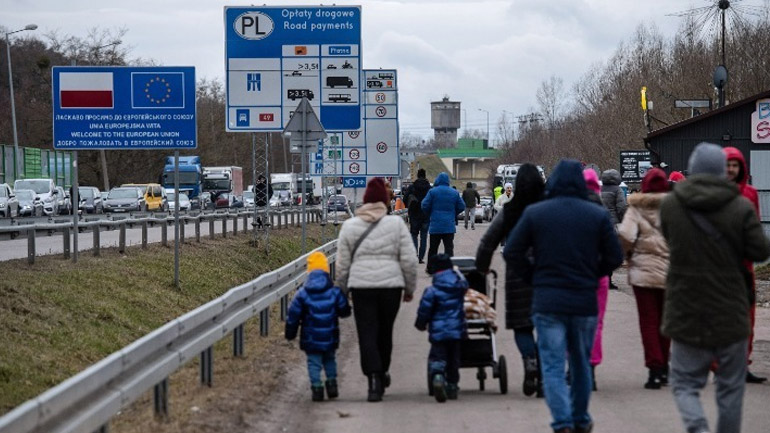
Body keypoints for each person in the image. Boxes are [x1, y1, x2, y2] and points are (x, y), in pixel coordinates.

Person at [505, 160, 623, 433]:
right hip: (584, 300)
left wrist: (532, 276)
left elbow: (512, 250)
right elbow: (615, 256)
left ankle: (562, 422)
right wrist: (594, 274)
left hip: (548, 301)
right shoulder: (596, 214)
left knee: (553, 364)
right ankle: (580, 418)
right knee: (580, 362)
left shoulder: (536, 213)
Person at [660, 143, 770, 433]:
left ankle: (698, 428)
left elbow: (668, 241)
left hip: (685, 307)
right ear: (723, 170)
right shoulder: (741, 205)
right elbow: (759, 251)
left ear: (692, 169)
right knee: (730, 388)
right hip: (730, 308)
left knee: (684, 382)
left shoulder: (671, 206)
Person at [335, 177, 418, 402]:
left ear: (365, 201)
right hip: (391, 288)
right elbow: (409, 260)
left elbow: (342, 263)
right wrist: (409, 288)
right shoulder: (396, 225)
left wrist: (341, 290)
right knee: (384, 332)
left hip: (361, 288)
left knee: (367, 332)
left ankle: (373, 377)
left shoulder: (350, 226)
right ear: (384, 201)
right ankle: (382, 372)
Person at [476, 163, 545, 397]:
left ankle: (530, 361)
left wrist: (482, 268)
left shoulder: (510, 210)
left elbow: (488, 241)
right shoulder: (549, 207)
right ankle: (545, 376)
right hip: (548, 275)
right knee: (547, 327)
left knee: (522, 326)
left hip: (518, 276)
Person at [617, 168, 671, 390]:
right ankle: (666, 367)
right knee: (666, 322)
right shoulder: (675, 209)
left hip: (643, 273)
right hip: (670, 273)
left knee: (648, 322)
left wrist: (629, 254)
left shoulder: (636, 208)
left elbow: (626, 235)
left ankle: (654, 370)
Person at [724, 146, 765, 384]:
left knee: (747, 318)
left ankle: (743, 365)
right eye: (727, 165)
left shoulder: (750, 193)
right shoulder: (715, 193)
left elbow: (755, 227)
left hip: (744, 265)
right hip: (720, 266)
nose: (731, 169)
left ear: (741, 168)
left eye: (735, 165)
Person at [285, 252, 351, 401]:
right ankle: (332, 383)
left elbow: (293, 316)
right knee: (329, 360)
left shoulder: (302, 294)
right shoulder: (334, 292)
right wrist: (345, 311)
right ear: (326, 270)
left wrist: (290, 333)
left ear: (308, 272)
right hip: (330, 336)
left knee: (313, 363)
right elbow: (344, 310)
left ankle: (317, 387)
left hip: (311, 338)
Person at [415, 254, 469, 403]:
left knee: (438, 357)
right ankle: (452, 386)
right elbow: (465, 284)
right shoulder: (459, 287)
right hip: (456, 331)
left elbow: (424, 311)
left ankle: (438, 377)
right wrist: (457, 272)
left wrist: (420, 324)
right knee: (454, 361)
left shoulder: (431, 291)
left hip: (438, 333)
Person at [583, 168, 611, 392]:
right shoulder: (602, 213)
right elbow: (614, 252)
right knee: (596, 324)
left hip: (574, 276)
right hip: (598, 277)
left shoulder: (570, 212)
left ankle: (574, 367)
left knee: (573, 322)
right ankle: (591, 369)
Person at [422, 172, 465, 259]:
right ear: (448, 181)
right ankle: (449, 267)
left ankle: (431, 267)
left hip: (435, 225)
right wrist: (454, 213)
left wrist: (430, 213)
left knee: (433, 249)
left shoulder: (432, 192)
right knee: (449, 249)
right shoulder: (454, 192)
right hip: (449, 226)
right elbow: (462, 206)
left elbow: (424, 205)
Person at [600, 168, 627, 290]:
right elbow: (621, 207)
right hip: (613, 223)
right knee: (611, 251)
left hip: (600, 222)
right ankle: (609, 279)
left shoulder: (599, 189)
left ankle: (601, 277)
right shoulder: (618, 190)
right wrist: (623, 220)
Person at [404, 169, 432, 264]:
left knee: (413, 235)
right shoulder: (429, 188)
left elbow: (405, 198)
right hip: (425, 215)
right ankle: (421, 257)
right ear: (425, 175)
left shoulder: (412, 187)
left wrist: (409, 207)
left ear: (417, 175)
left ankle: (414, 254)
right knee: (424, 237)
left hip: (414, 214)